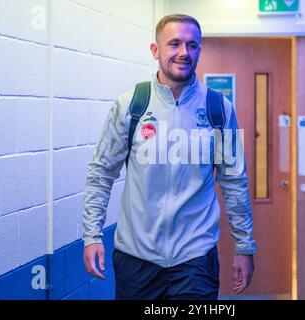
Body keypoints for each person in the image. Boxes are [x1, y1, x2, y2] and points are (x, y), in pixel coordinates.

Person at [82, 13, 256, 300]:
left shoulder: (219, 108)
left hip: (195, 259)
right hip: (136, 259)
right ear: (156, 50)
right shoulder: (130, 105)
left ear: (200, 50)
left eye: (192, 45)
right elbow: (101, 174)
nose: (183, 53)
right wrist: (92, 235)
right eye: (174, 43)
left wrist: (245, 246)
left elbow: (235, 181)